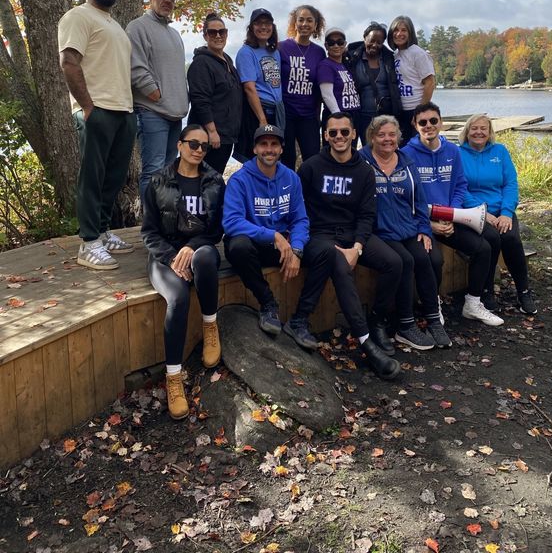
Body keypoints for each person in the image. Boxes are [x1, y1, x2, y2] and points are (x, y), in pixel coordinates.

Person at [285, 112, 402, 380]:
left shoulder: (363, 170)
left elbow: (367, 215)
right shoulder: (312, 167)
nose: (339, 137)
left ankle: (377, 322)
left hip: (353, 234)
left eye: (345, 132)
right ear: (325, 136)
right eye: (333, 132)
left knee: (394, 263)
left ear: (353, 135)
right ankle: (367, 344)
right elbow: (297, 208)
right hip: (321, 235)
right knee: (339, 265)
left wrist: (358, 247)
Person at [141, 125, 225, 420]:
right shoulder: (158, 181)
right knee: (177, 298)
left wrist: (191, 246)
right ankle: (174, 378)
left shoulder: (215, 181)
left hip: (200, 247)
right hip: (164, 256)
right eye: (193, 144)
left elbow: (216, 231)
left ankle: (210, 326)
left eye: (204, 146)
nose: (199, 150)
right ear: (179, 145)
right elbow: (149, 233)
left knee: (203, 259)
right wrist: (174, 256)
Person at [58, 0, 136, 270]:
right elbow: (69, 61)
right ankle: (88, 241)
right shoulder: (78, 17)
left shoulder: (113, 24)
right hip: (97, 110)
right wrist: (87, 106)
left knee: (113, 178)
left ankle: (102, 232)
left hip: (123, 110)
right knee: (92, 178)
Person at [405, 102, 504, 326]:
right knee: (435, 260)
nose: (428, 126)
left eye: (433, 121)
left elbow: (460, 185)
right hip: (423, 222)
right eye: (423, 122)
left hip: (449, 218)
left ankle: (473, 302)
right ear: (415, 124)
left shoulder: (452, 150)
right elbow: (406, 196)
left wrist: (451, 213)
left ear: (440, 122)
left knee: (483, 248)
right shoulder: (406, 155)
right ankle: (433, 305)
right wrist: (430, 223)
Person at [359, 115, 452, 349]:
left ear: (399, 137)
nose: (387, 139)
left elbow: (420, 201)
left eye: (392, 134)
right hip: (378, 231)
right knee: (406, 261)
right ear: (371, 137)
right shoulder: (361, 162)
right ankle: (405, 324)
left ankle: (432, 318)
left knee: (427, 257)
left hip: (407, 228)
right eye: (381, 135)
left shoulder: (406, 161)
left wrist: (424, 229)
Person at [223, 124, 309, 334]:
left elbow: (300, 219)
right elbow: (231, 222)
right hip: (256, 247)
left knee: (324, 252)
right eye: (263, 144)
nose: (269, 149)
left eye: (274, 144)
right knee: (238, 246)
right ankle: (268, 304)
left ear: (281, 149)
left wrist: (297, 249)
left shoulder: (291, 178)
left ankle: (301, 319)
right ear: (254, 149)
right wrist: (273, 236)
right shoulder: (239, 180)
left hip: (283, 248)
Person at [458, 114, 538, 316]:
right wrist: (484, 213)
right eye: (474, 128)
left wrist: (506, 213)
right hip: (475, 211)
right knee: (491, 239)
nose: (478, 132)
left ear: (490, 132)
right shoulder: (458, 154)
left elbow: (510, 184)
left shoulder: (500, 152)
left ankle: (524, 291)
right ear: (467, 132)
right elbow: (460, 189)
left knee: (511, 239)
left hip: (501, 210)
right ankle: (486, 292)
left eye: (483, 128)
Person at [126, 0, 189, 198]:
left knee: (169, 171)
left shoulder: (174, 34)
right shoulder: (137, 27)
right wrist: (155, 93)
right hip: (151, 111)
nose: (168, 1)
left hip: (175, 114)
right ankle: (149, 226)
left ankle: (165, 220)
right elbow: (135, 66)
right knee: (153, 170)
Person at [187, 13, 243, 174]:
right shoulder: (201, 63)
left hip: (227, 135)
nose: (218, 36)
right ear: (205, 35)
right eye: (212, 32)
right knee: (203, 179)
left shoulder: (227, 61)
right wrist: (211, 132)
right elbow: (200, 101)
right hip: (209, 137)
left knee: (214, 180)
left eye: (222, 32)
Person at [279, 4, 326, 169]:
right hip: (286, 114)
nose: (305, 24)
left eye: (309, 20)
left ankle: (309, 194)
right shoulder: (281, 47)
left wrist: (317, 113)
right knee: (287, 158)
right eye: (301, 20)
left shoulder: (319, 52)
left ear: (315, 25)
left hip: (308, 115)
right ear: (294, 22)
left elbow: (319, 86)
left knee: (313, 158)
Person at [235, 9, 284, 162]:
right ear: (251, 28)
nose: (263, 27)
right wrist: (262, 120)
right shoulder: (246, 52)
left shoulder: (274, 52)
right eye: (258, 23)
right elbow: (249, 88)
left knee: (273, 156)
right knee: (255, 157)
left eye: (267, 23)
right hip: (258, 112)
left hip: (275, 111)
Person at [347, 21, 401, 145]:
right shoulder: (352, 57)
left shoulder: (389, 58)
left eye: (379, 42)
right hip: (360, 115)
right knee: (362, 151)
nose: (375, 45)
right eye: (371, 40)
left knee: (383, 149)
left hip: (385, 115)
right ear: (364, 38)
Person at [387, 16, 435, 144]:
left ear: (410, 33)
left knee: (418, 147)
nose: (399, 34)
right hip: (401, 110)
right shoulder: (396, 55)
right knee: (403, 148)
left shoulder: (417, 53)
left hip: (415, 108)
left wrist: (420, 112)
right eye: (396, 30)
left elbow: (430, 83)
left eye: (404, 30)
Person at [317, 28, 360, 132]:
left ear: (345, 44)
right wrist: (338, 117)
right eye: (332, 43)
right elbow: (327, 94)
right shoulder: (325, 65)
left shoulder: (344, 65)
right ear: (326, 46)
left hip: (353, 115)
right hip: (338, 117)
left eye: (340, 42)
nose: (336, 46)